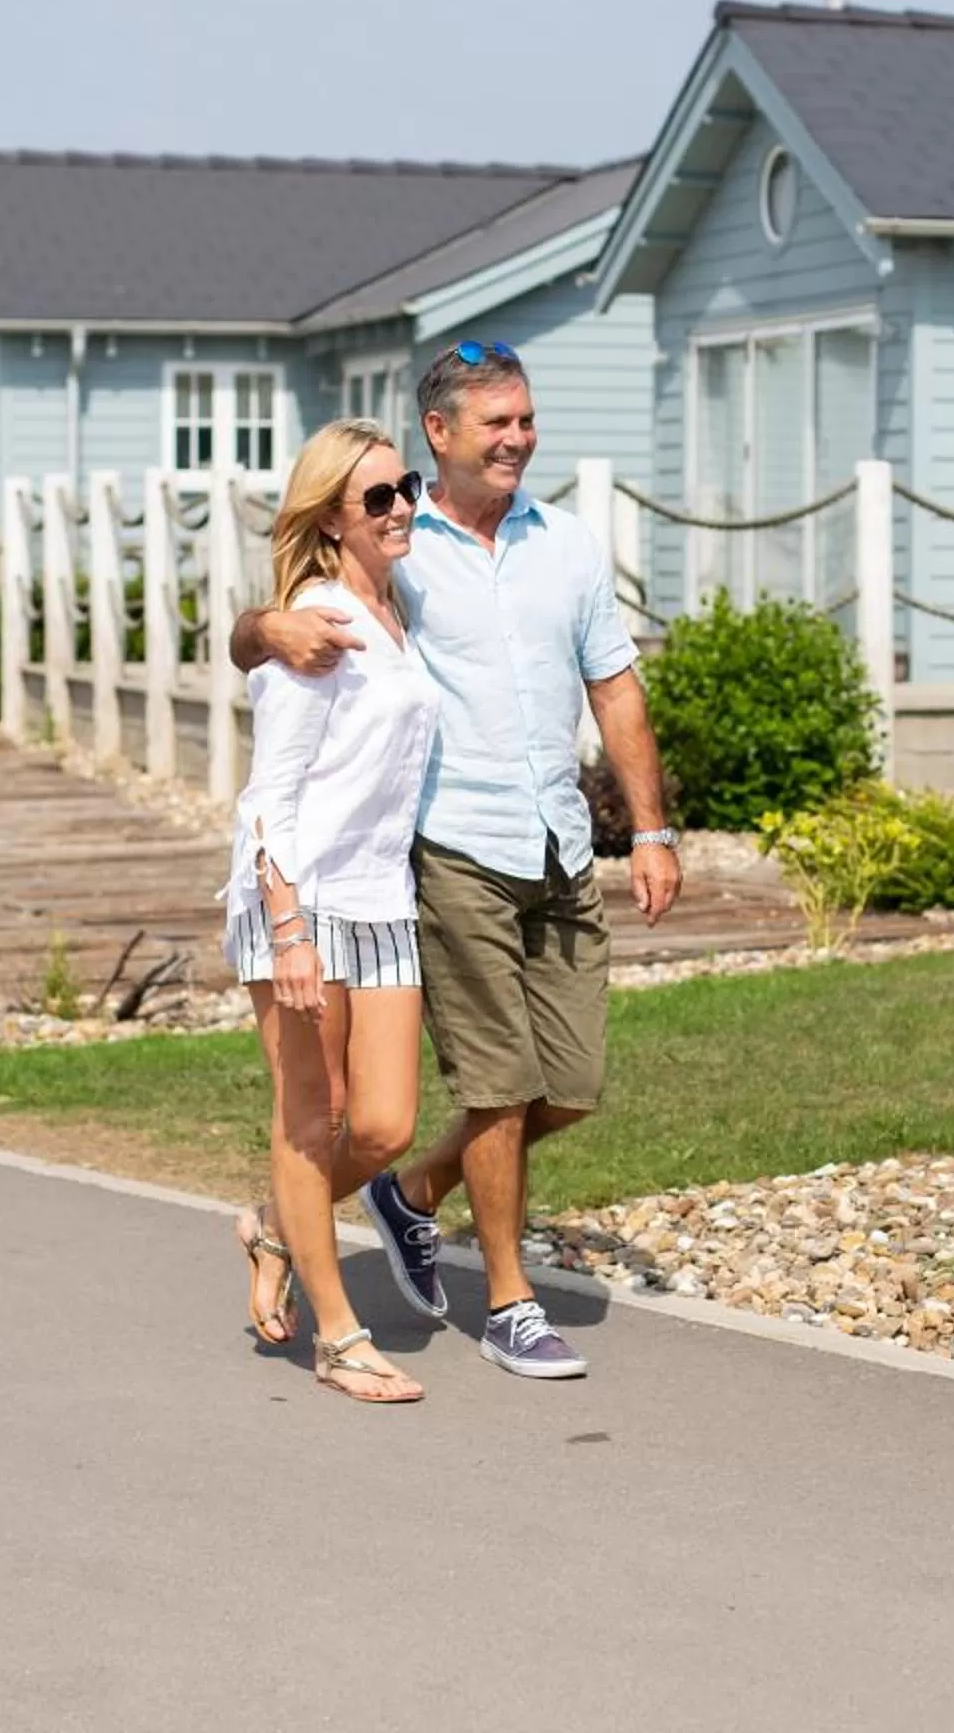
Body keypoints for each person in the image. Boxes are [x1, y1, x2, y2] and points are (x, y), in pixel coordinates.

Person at [233, 340, 681, 1380]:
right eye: (498, 421)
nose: (520, 438)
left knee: (568, 1084)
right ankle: (510, 1300)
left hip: (555, 838)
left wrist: (650, 829)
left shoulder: (565, 543)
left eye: (526, 418)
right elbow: (271, 634)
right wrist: (266, 625)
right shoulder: (399, 535)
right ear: (442, 432)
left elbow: (614, 685)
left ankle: (406, 1191)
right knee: (497, 1081)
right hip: (447, 848)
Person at [223, 418, 440, 1404]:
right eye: (380, 499)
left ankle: (273, 1223)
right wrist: (289, 927)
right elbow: (272, 792)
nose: (402, 509)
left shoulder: (395, 605)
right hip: (302, 896)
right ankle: (338, 1336)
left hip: (381, 897)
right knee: (314, 1121)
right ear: (333, 518)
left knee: (385, 1124)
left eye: (409, 487)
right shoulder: (317, 619)